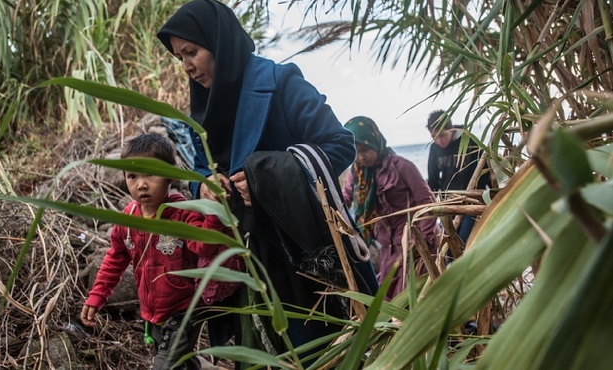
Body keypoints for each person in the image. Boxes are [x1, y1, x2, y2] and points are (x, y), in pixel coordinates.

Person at [156, 0, 377, 365]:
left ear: (220, 42)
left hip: (300, 255)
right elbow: (198, 167)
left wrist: (263, 177)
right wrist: (204, 184)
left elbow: (340, 145)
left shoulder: (280, 81)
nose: (187, 67)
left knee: (317, 352)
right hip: (238, 260)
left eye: (191, 52)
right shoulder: (203, 108)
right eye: (179, 57)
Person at [80, 133, 244, 370]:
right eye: (132, 176)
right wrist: (97, 296)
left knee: (165, 365)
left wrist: (214, 213)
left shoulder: (182, 213)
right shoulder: (127, 220)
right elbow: (115, 258)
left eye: (150, 174)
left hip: (184, 310)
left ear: (170, 177)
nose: (141, 184)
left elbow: (204, 246)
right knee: (179, 360)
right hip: (153, 310)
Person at [341, 116, 440, 300]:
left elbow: (427, 202)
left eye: (365, 149)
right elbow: (344, 202)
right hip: (387, 247)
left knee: (412, 297)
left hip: (413, 242)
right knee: (387, 298)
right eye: (355, 152)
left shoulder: (403, 166)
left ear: (375, 141)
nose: (361, 156)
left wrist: (422, 241)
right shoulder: (356, 175)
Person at [426, 109, 492, 245]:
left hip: (471, 200)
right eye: (434, 137)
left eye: (442, 135)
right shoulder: (434, 149)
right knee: (447, 243)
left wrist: (491, 196)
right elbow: (433, 179)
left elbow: (485, 168)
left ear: (450, 129)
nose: (439, 141)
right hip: (449, 202)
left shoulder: (468, 139)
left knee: (463, 240)